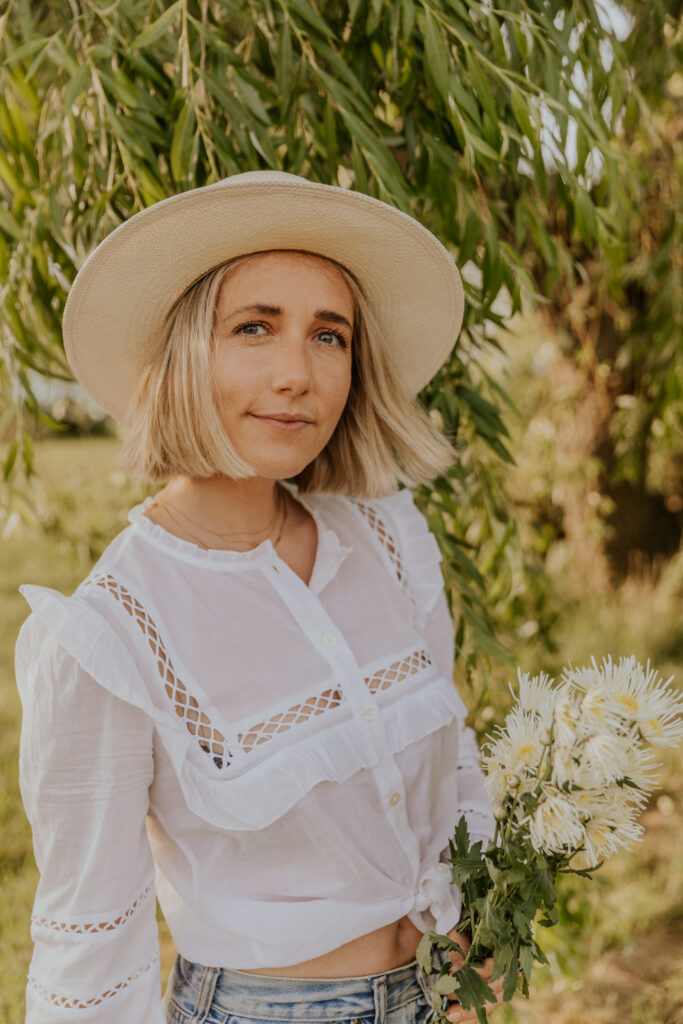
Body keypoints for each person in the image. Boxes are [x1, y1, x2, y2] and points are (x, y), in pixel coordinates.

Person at [15, 171, 504, 1024]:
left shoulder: (389, 544)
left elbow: (450, 754)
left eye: (329, 335)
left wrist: (473, 921)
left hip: (437, 993)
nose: (296, 374)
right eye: (253, 328)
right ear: (179, 355)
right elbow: (89, 939)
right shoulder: (108, 636)